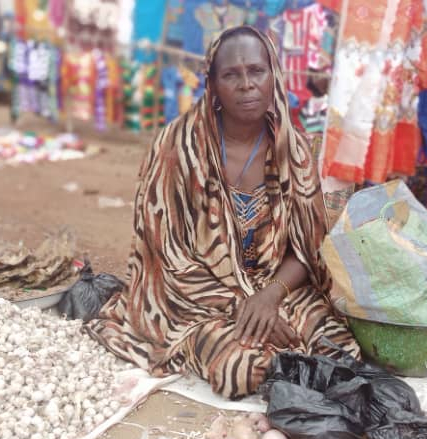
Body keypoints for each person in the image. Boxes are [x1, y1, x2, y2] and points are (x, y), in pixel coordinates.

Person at [85, 26, 359, 399]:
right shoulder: (178, 148)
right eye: (231, 75)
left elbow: (307, 251)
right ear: (212, 85)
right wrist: (241, 305)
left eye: (256, 71)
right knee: (243, 368)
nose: (247, 85)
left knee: (341, 351)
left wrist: (269, 297)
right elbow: (166, 257)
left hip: (274, 288)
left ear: (273, 75)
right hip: (193, 299)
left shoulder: (294, 151)